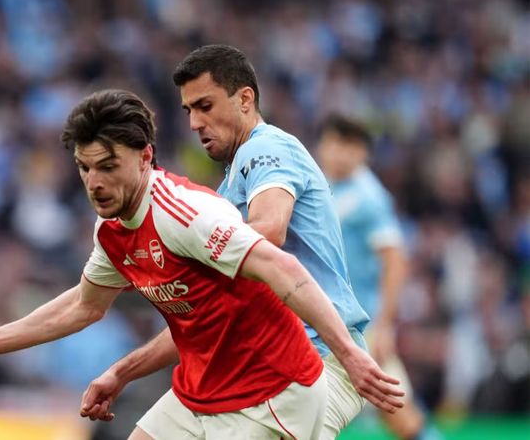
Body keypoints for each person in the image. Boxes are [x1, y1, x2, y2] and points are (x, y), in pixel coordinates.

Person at [0, 89, 403, 440]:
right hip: (202, 386)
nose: (95, 182)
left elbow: (285, 269)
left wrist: (350, 354)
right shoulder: (112, 228)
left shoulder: (185, 214)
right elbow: (84, 306)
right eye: (85, 167)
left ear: (145, 157)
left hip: (273, 391)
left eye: (108, 166)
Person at [80, 45, 391, 440]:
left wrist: (179, 253)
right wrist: (123, 371)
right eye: (189, 111)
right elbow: (206, 314)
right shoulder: (229, 185)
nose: (195, 123)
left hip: (314, 358)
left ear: (245, 99)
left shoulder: (266, 148)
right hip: (249, 362)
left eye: (205, 106)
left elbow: (270, 231)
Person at [316, 114, 430, 439]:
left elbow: (395, 260)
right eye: (333, 143)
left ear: (363, 152)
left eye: (348, 145)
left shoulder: (368, 197)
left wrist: (384, 325)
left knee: (398, 414)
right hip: (326, 321)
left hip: (361, 327)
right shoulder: (323, 186)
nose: (338, 153)